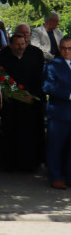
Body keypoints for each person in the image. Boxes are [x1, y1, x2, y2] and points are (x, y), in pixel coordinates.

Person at [0, 32, 45, 172]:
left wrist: (34, 96)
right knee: (10, 133)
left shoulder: (34, 57)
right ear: (11, 45)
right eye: (17, 44)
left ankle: (28, 164)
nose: (20, 47)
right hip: (11, 103)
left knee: (29, 135)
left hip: (30, 103)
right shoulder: (4, 58)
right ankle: (9, 164)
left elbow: (38, 79)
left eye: (23, 44)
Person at [42, 36, 71, 189]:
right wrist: (68, 95)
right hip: (59, 112)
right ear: (59, 48)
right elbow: (47, 87)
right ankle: (56, 176)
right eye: (64, 48)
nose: (66, 51)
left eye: (69, 48)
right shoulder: (52, 65)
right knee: (56, 146)